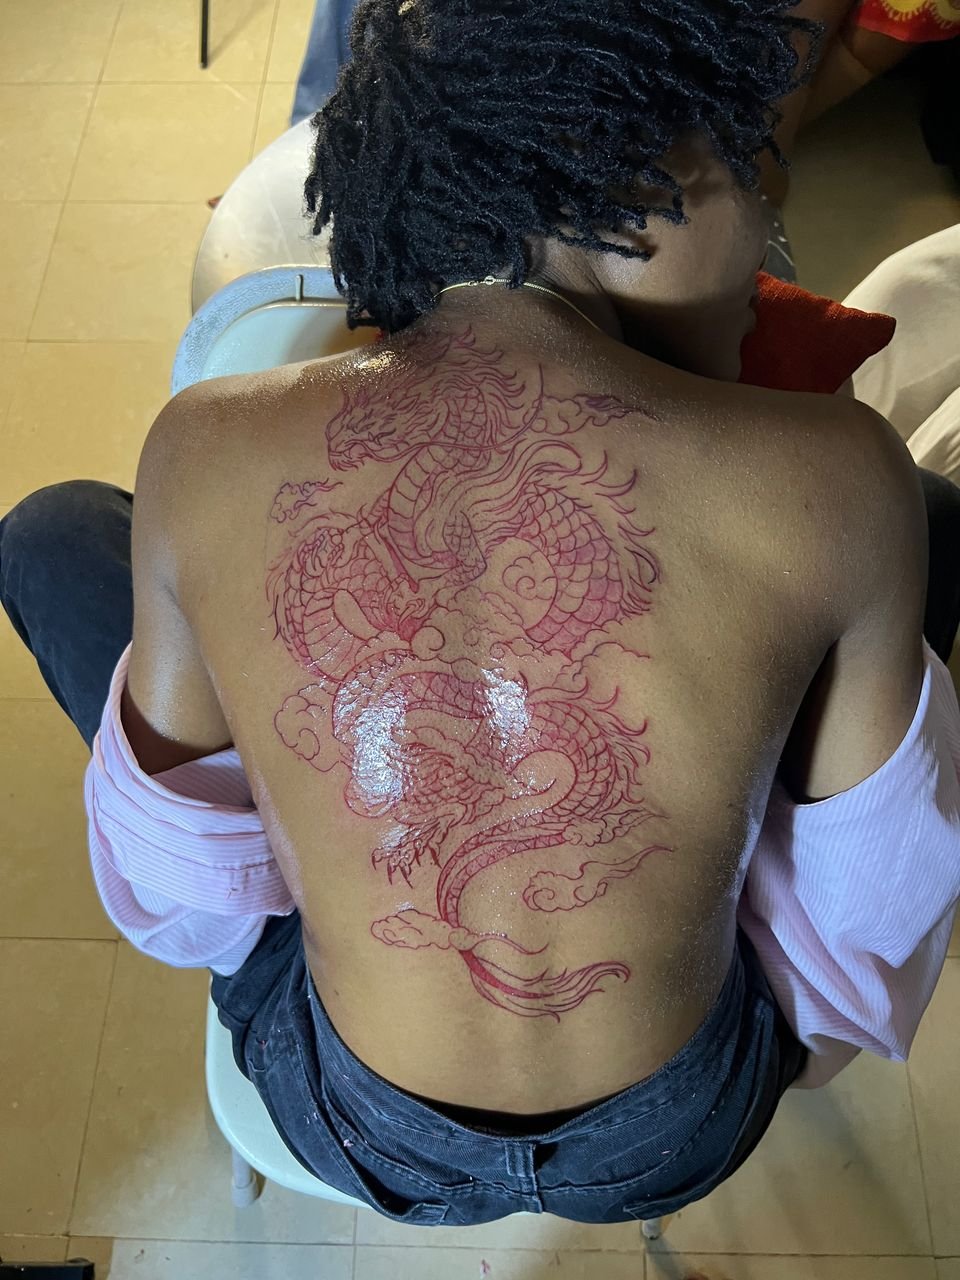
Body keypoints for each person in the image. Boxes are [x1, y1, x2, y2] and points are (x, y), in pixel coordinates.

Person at [3, 0, 959, 1227]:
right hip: (675, 1129)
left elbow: (183, 902)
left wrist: (330, 841)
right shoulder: (844, 472)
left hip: (354, 1113)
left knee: (55, 530)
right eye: (749, 178)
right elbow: (867, 919)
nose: (772, 237)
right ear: (633, 196)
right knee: (933, 523)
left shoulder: (202, 448)